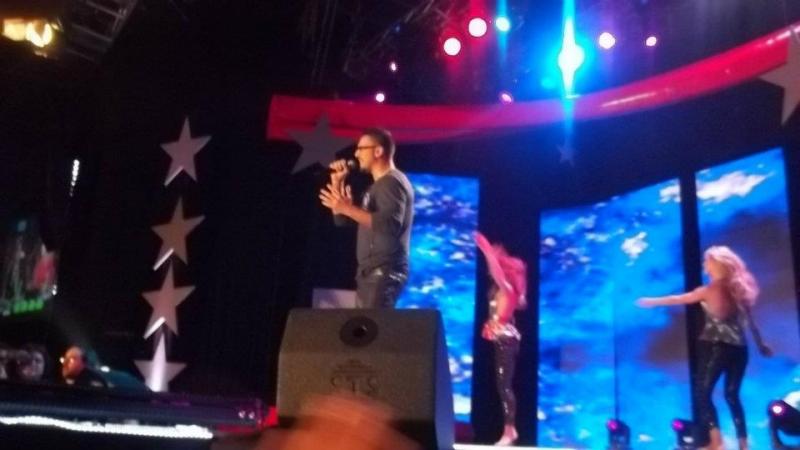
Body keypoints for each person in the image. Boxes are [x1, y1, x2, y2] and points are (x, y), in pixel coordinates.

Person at [637, 246, 772, 450]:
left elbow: (678, 299)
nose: (704, 265)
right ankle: (743, 444)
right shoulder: (738, 290)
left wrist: (652, 301)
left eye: (706, 261)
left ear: (716, 264)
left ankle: (716, 440)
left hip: (715, 346)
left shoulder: (709, 290)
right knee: (732, 395)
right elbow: (750, 322)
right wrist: (761, 345)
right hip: (740, 349)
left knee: (703, 393)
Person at [319, 128, 414, 309]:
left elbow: (389, 225)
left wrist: (348, 208)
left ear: (378, 151)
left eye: (361, 149)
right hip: (369, 272)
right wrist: (338, 183)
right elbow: (342, 221)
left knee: (372, 324)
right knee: (366, 324)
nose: (356, 154)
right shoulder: (375, 187)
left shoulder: (391, 182)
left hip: (384, 270)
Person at [474, 231, 527, 446]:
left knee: (505, 386)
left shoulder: (508, 288)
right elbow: (494, 272)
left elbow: (497, 273)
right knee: (501, 385)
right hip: (501, 339)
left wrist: (487, 251)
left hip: (506, 340)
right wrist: (490, 255)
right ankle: (508, 429)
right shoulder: (501, 289)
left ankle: (510, 430)